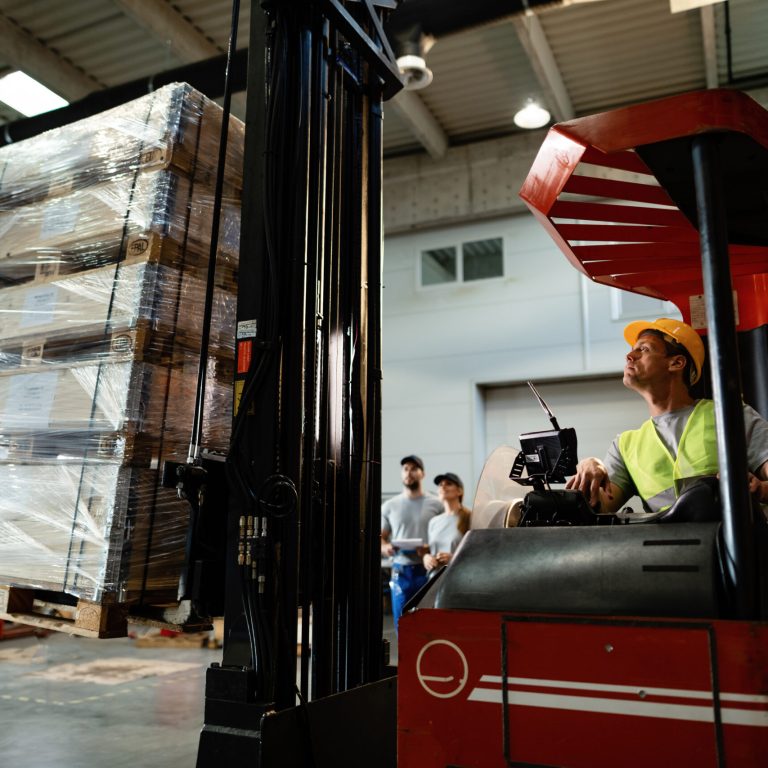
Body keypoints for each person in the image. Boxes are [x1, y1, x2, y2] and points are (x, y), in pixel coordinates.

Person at [566, 317, 768, 514]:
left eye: (643, 349)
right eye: (632, 349)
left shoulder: (729, 416)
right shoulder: (625, 446)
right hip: (666, 547)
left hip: (732, 545)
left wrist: (759, 489)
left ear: (676, 363)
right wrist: (590, 467)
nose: (630, 356)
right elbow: (600, 507)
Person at [381, 455, 442, 630]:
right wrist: (385, 547)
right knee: (403, 624)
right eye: (406, 469)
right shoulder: (390, 506)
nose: (409, 473)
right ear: (402, 474)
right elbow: (381, 537)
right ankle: (405, 658)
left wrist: (430, 549)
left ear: (422, 474)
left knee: (429, 625)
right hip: (401, 572)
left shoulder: (436, 504)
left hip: (429, 571)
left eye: (414, 469)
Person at [423, 472, 471, 575]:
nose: (443, 486)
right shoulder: (433, 522)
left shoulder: (470, 518)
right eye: (440, 485)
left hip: (458, 578)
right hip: (433, 579)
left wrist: (454, 559)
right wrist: (426, 557)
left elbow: (479, 553)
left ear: (459, 491)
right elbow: (431, 550)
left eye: (448, 483)